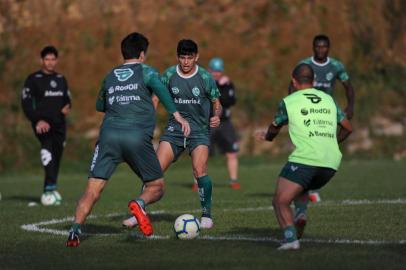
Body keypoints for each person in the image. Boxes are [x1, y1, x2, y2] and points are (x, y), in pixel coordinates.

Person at [66, 32, 190, 247]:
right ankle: (139, 203)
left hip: (108, 137)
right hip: (135, 137)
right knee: (156, 186)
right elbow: (163, 93)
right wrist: (178, 116)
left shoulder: (110, 75)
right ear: (142, 54)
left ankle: (75, 231)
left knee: (92, 190)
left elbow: (99, 106)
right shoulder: (148, 72)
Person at [123, 39, 221, 229]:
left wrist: (216, 115)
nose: (185, 62)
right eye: (182, 57)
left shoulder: (205, 77)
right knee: (154, 173)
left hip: (199, 130)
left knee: (200, 170)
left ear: (196, 57)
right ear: (178, 57)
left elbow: (217, 103)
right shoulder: (168, 75)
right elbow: (155, 98)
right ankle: (139, 212)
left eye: (189, 58)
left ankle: (207, 215)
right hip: (174, 131)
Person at [255, 63, 352, 250]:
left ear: (293, 81)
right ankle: (300, 213)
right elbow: (348, 127)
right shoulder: (328, 99)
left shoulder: (289, 101)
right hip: (331, 164)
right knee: (302, 186)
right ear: (314, 81)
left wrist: (267, 137)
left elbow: (275, 127)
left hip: (307, 160)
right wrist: (331, 143)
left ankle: (291, 240)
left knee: (280, 201)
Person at [290, 34, 355, 202]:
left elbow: (348, 86)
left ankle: (310, 187)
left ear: (328, 48)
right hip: (307, 112)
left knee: (323, 149)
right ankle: (307, 187)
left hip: (326, 112)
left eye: (324, 46)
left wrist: (350, 106)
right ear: (313, 48)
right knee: (308, 147)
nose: (320, 49)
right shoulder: (304, 65)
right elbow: (292, 86)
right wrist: (292, 107)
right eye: (317, 46)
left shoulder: (335, 66)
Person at [21, 46, 71, 204]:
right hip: (43, 124)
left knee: (56, 155)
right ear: (41, 60)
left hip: (60, 124)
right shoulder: (33, 79)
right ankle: (49, 189)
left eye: (53, 59)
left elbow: (67, 100)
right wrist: (37, 120)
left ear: (56, 60)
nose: (50, 62)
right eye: (47, 59)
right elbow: (26, 103)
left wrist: (67, 106)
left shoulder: (61, 79)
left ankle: (50, 188)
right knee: (47, 152)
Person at [205, 57, 240, 190]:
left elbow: (229, 101)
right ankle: (198, 182)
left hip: (225, 122)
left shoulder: (228, 84)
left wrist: (222, 85)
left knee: (232, 152)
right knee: (202, 153)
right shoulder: (205, 83)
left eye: (218, 71)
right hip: (209, 122)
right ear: (209, 70)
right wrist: (218, 85)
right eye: (213, 70)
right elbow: (210, 99)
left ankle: (233, 180)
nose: (216, 73)